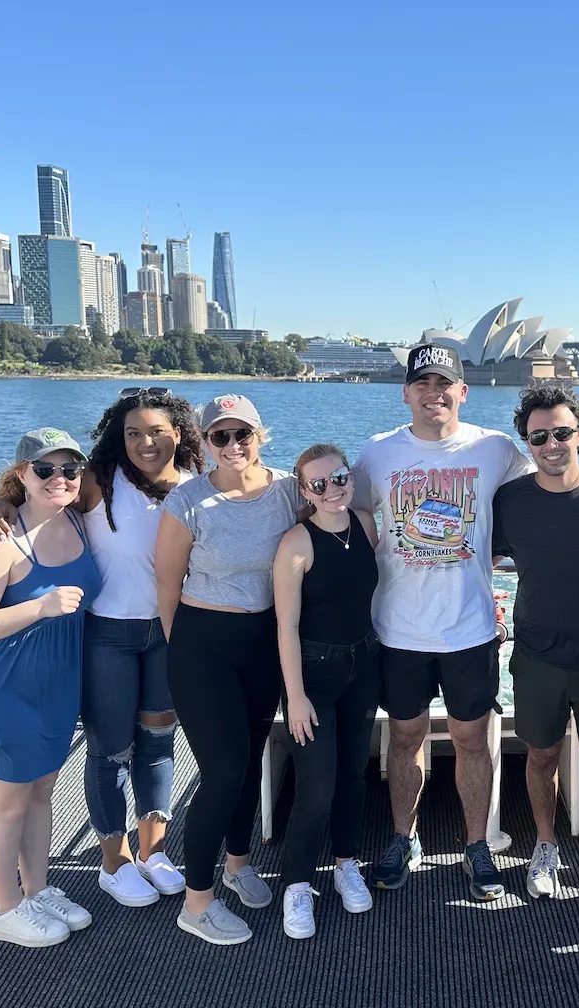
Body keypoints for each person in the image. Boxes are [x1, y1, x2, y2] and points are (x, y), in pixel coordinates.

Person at [0, 388, 205, 909]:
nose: (144, 443)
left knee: (158, 743)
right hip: (108, 635)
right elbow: (40, 495)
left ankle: (154, 852)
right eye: (132, 433)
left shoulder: (196, 485)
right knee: (111, 749)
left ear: (179, 433)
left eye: (155, 432)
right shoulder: (100, 482)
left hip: (169, 632)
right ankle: (114, 860)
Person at [354, 342, 532, 902]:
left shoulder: (496, 448)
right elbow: (353, 509)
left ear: (463, 391)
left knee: (472, 740)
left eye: (444, 383)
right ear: (406, 393)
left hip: (469, 626)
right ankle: (404, 838)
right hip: (398, 627)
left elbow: (537, 497)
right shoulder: (378, 451)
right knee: (404, 736)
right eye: (422, 384)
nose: (434, 393)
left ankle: (477, 844)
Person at [157, 394, 302, 945]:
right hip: (202, 644)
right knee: (222, 770)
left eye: (243, 433)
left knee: (249, 763)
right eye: (219, 436)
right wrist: (183, 650)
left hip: (263, 641)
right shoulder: (188, 500)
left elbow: (346, 502)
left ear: (261, 436)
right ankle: (197, 903)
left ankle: (238, 865)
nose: (233, 445)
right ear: (203, 442)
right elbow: (167, 583)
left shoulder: (289, 490)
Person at [0, 428, 102, 947]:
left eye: (69, 470)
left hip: (56, 682)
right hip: (0, 687)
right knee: (7, 803)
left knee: (41, 793)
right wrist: (39, 605)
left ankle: (35, 892)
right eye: (45, 469)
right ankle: (4, 907)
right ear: (22, 475)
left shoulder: (79, 521)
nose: (59, 479)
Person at [492, 384, 579, 900]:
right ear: (526, 444)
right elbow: (475, 559)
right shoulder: (509, 501)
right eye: (538, 437)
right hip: (535, 653)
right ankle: (545, 847)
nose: (552, 444)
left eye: (561, 433)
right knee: (540, 756)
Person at [271, 444, 381, 939]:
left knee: (354, 776)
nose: (331, 489)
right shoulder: (296, 542)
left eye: (338, 478)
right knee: (316, 786)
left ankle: (345, 863)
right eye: (318, 484)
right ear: (303, 491)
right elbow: (286, 626)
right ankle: (297, 884)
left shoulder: (364, 523)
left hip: (365, 663)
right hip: (314, 675)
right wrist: (294, 696)